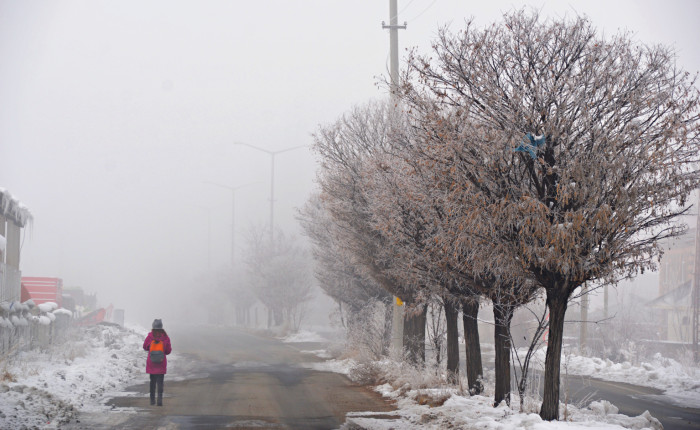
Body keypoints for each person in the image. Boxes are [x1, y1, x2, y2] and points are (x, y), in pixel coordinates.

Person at [142, 319, 172, 406]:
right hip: (161, 363)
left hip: (151, 362)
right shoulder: (165, 337)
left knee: (152, 382)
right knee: (160, 382)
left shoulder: (150, 336)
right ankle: (159, 400)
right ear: (161, 327)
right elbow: (168, 351)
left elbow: (145, 347)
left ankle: (152, 400)